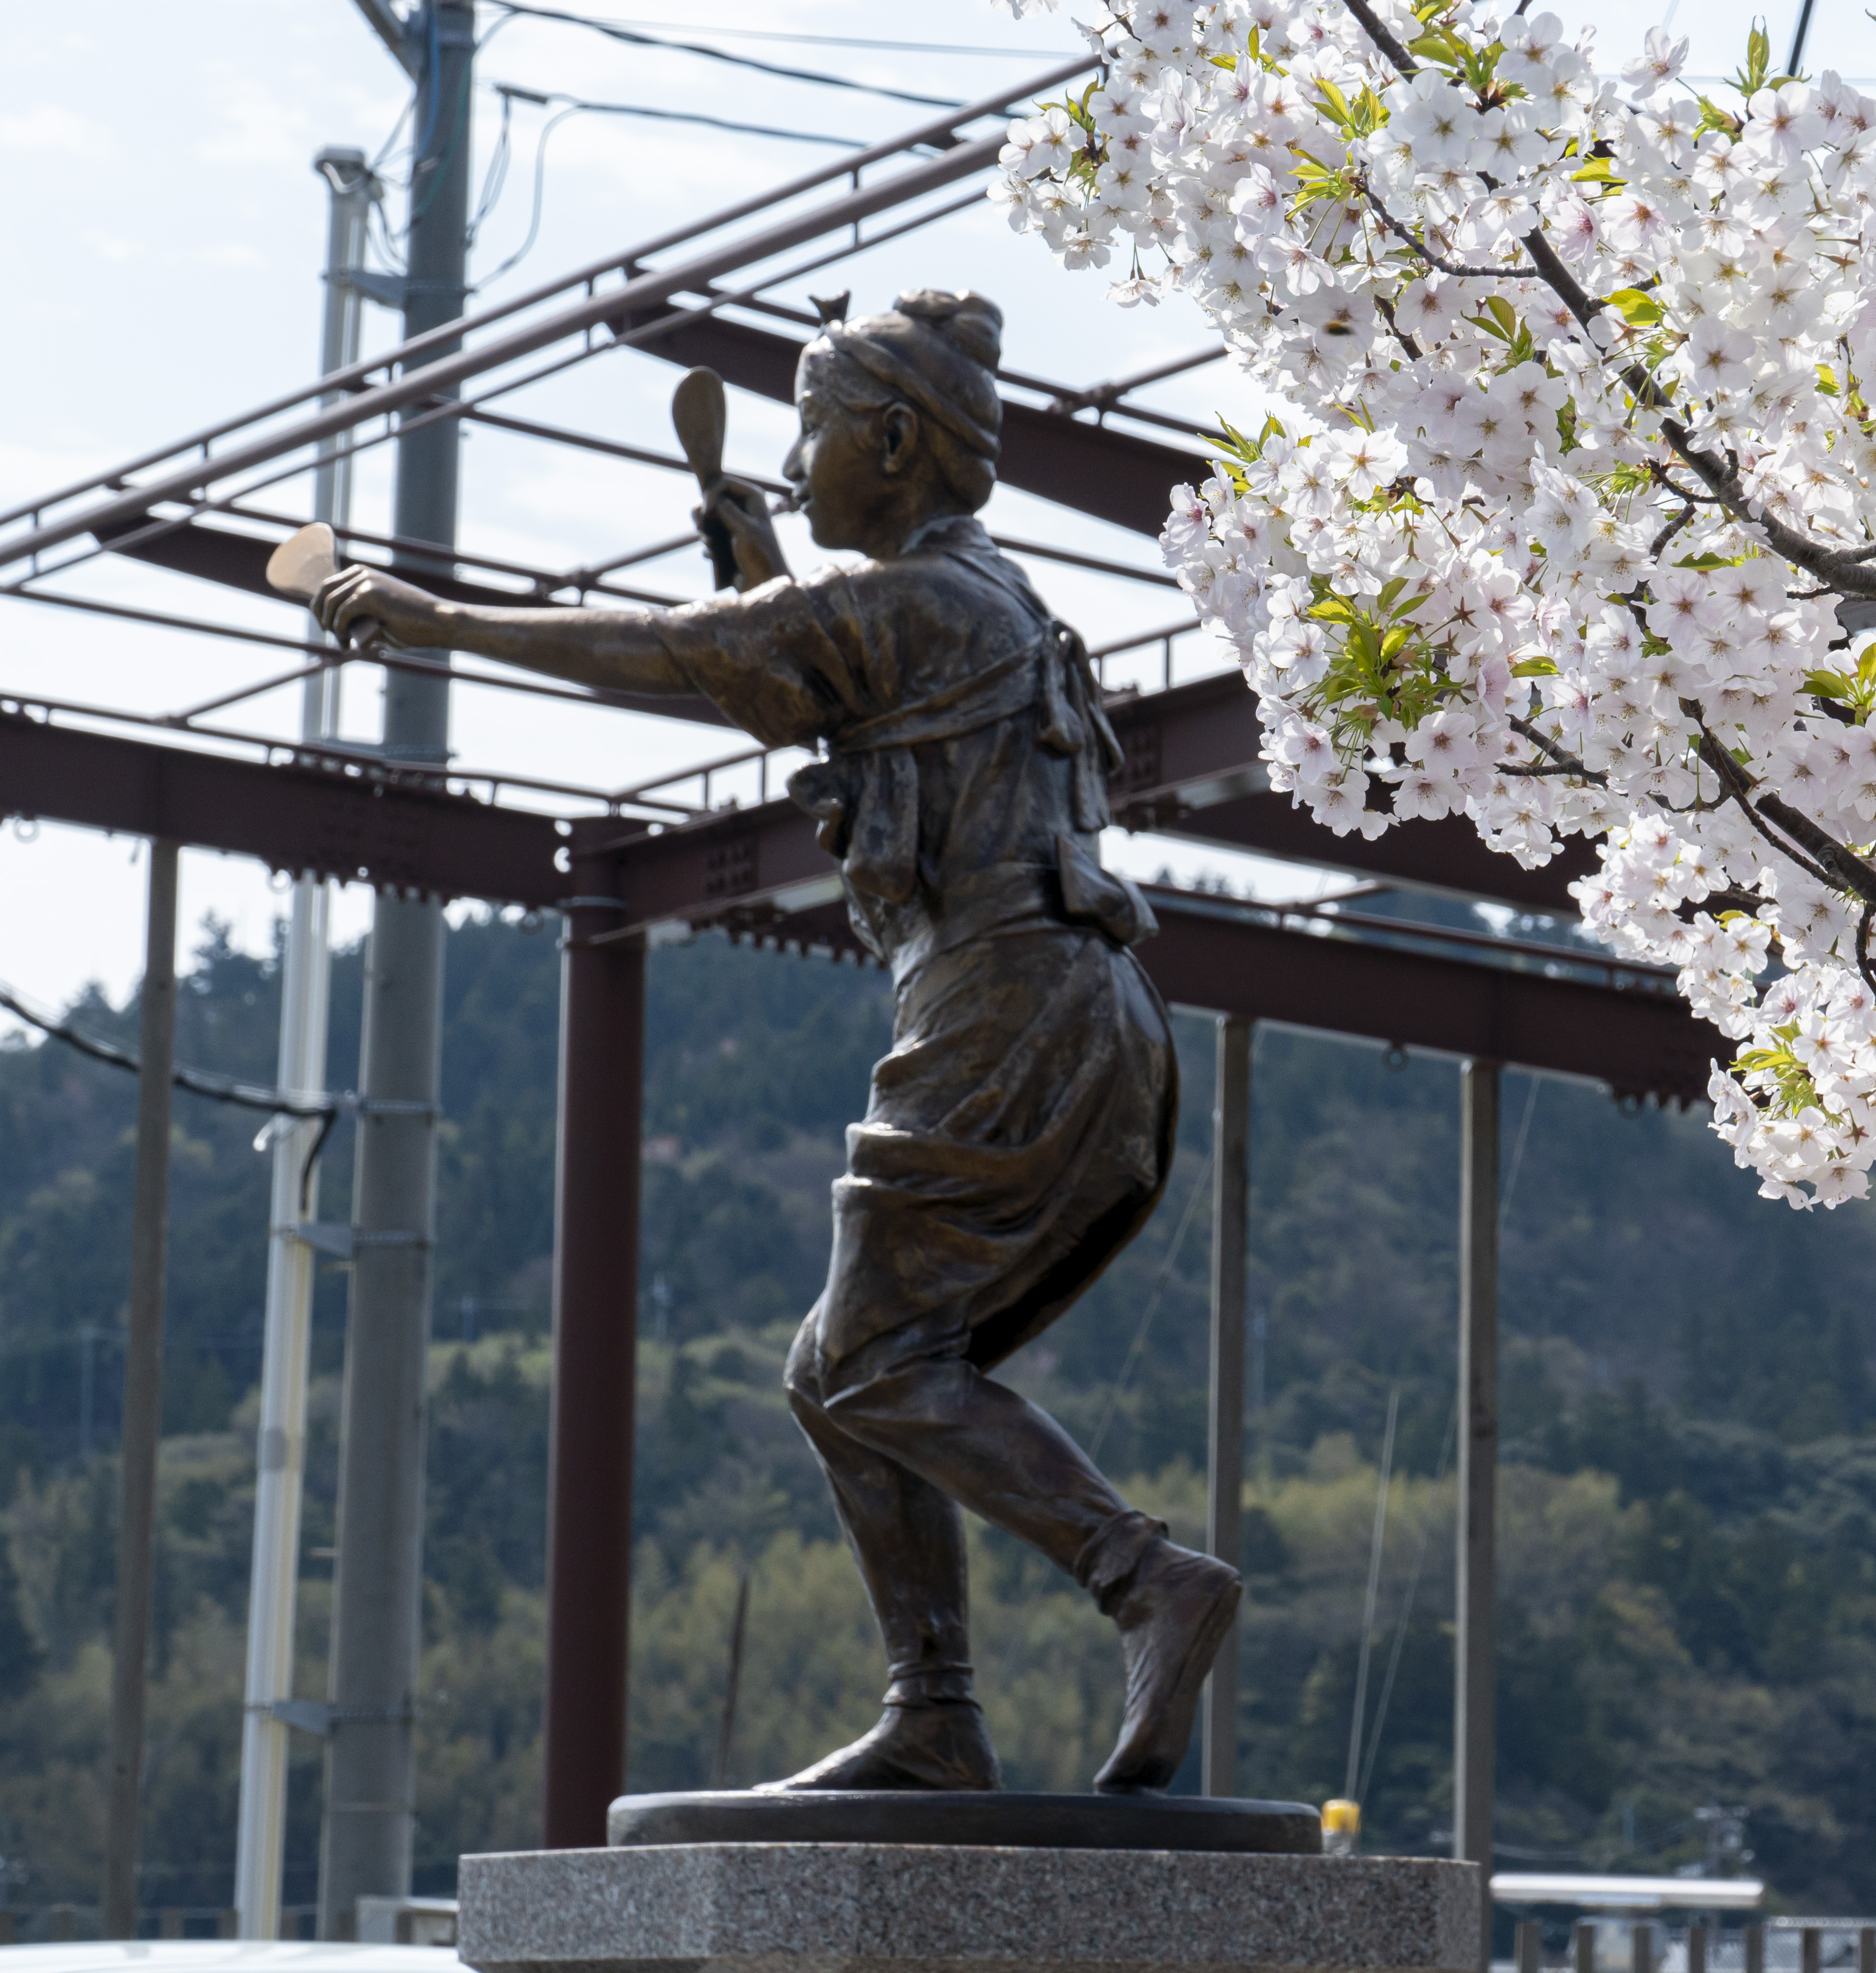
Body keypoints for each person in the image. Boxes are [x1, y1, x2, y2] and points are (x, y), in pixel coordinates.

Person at [310, 288, 1238, 1796]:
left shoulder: (933, 601)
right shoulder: (984, 599)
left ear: (890, 436)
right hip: (1070, 1008)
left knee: (870, 1359)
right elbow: (814, 688)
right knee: (843, 1365)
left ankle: (1144, 1579)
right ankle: (934, 1712)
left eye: (815, 430)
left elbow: (680, 655)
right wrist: (763, 570)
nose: (799, 464)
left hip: (1009, 1006)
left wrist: (436, 621)